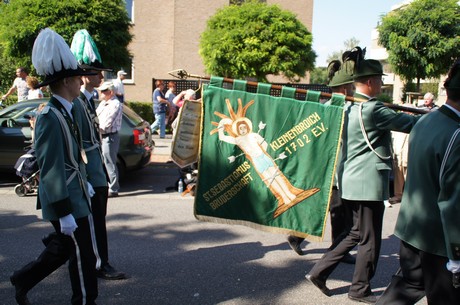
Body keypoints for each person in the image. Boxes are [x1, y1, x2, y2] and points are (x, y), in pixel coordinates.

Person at [305, 47, 420, 304]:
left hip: (351, 180)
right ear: (370, 82)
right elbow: (410, 124)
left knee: (356, 233)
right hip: (367, 182)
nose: (381, 84)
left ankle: (319, 272)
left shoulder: (348, 107)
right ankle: (359, 289)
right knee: (369, 239)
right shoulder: (372, 109)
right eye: (380, 79)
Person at [9, 28, 99, 305]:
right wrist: (63, 214)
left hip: (76, 195)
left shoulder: (66, 111)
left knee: (66, 250)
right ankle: (84, 300)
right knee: (83, 256)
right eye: (78, 78)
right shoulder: (50, 115)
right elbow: (51, 169)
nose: (81, 82)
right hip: (66, 201)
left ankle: (23, 279)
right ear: (68, 80)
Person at [376, 59, 460, 305]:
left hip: (411, 230)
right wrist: (457, 254)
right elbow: (453, 202)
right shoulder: (455, 133)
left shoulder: (426, 121)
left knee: (406, 290)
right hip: (439, 243)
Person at [287, 57, 355, 265]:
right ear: (343, 88)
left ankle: (334, 247)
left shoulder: (337, 106)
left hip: (336, 167)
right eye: (351, 86)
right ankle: (331, 247)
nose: (353, 90)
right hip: (330, 168)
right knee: (335, 210)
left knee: (336, 211)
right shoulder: (331, 108)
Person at [70, 29, 126, 280]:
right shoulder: (78, 102)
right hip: (89, 174)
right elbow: (79, 144)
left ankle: (100, 261)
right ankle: (99, 264)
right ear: (83, 75)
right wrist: (88, 178)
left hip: (97, 172)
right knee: (92, 227)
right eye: (95, 71)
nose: (101, 75)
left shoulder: (88, 100)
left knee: (97, 224)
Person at [96, 81, 123, 198]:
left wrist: (97, 128)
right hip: (101, 136)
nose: (101, 93)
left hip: (109, 136)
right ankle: (108, 185)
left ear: (110, 92)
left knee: (109, 162)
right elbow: (96, 117)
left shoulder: (115, 104)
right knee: (104, 162)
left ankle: (114, 188)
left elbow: (107, 123)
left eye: (103, 91)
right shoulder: (103, 103)